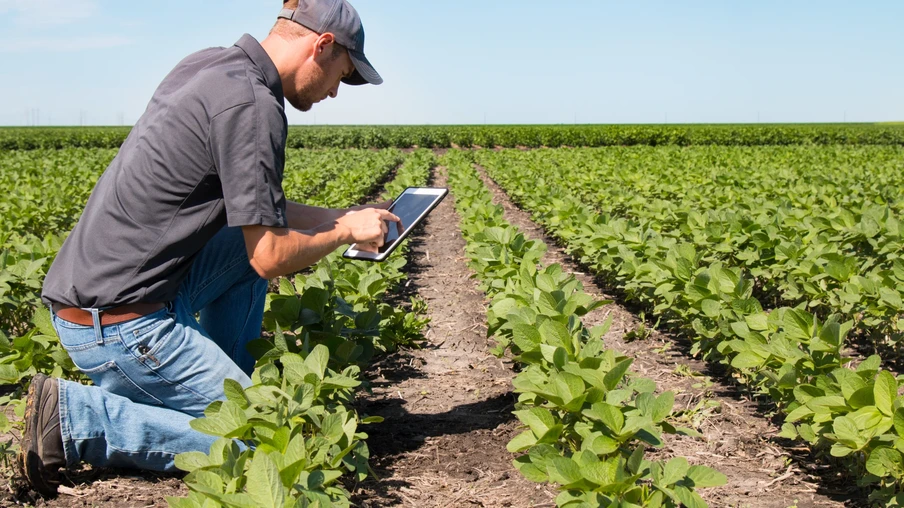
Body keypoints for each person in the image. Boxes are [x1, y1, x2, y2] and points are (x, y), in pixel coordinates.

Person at [20, 0, 397, 497]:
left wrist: (340, 216)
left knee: (240, 251)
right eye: (340, 76)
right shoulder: (255, 108)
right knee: (267, 446)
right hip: (118, 325)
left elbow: (264, 211)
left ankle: (222, 383)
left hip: (110, 293)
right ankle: (79, 419)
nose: (333, 93)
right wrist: (346, 234)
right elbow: (270, 255)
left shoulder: (212, 65)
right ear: (321, 46)